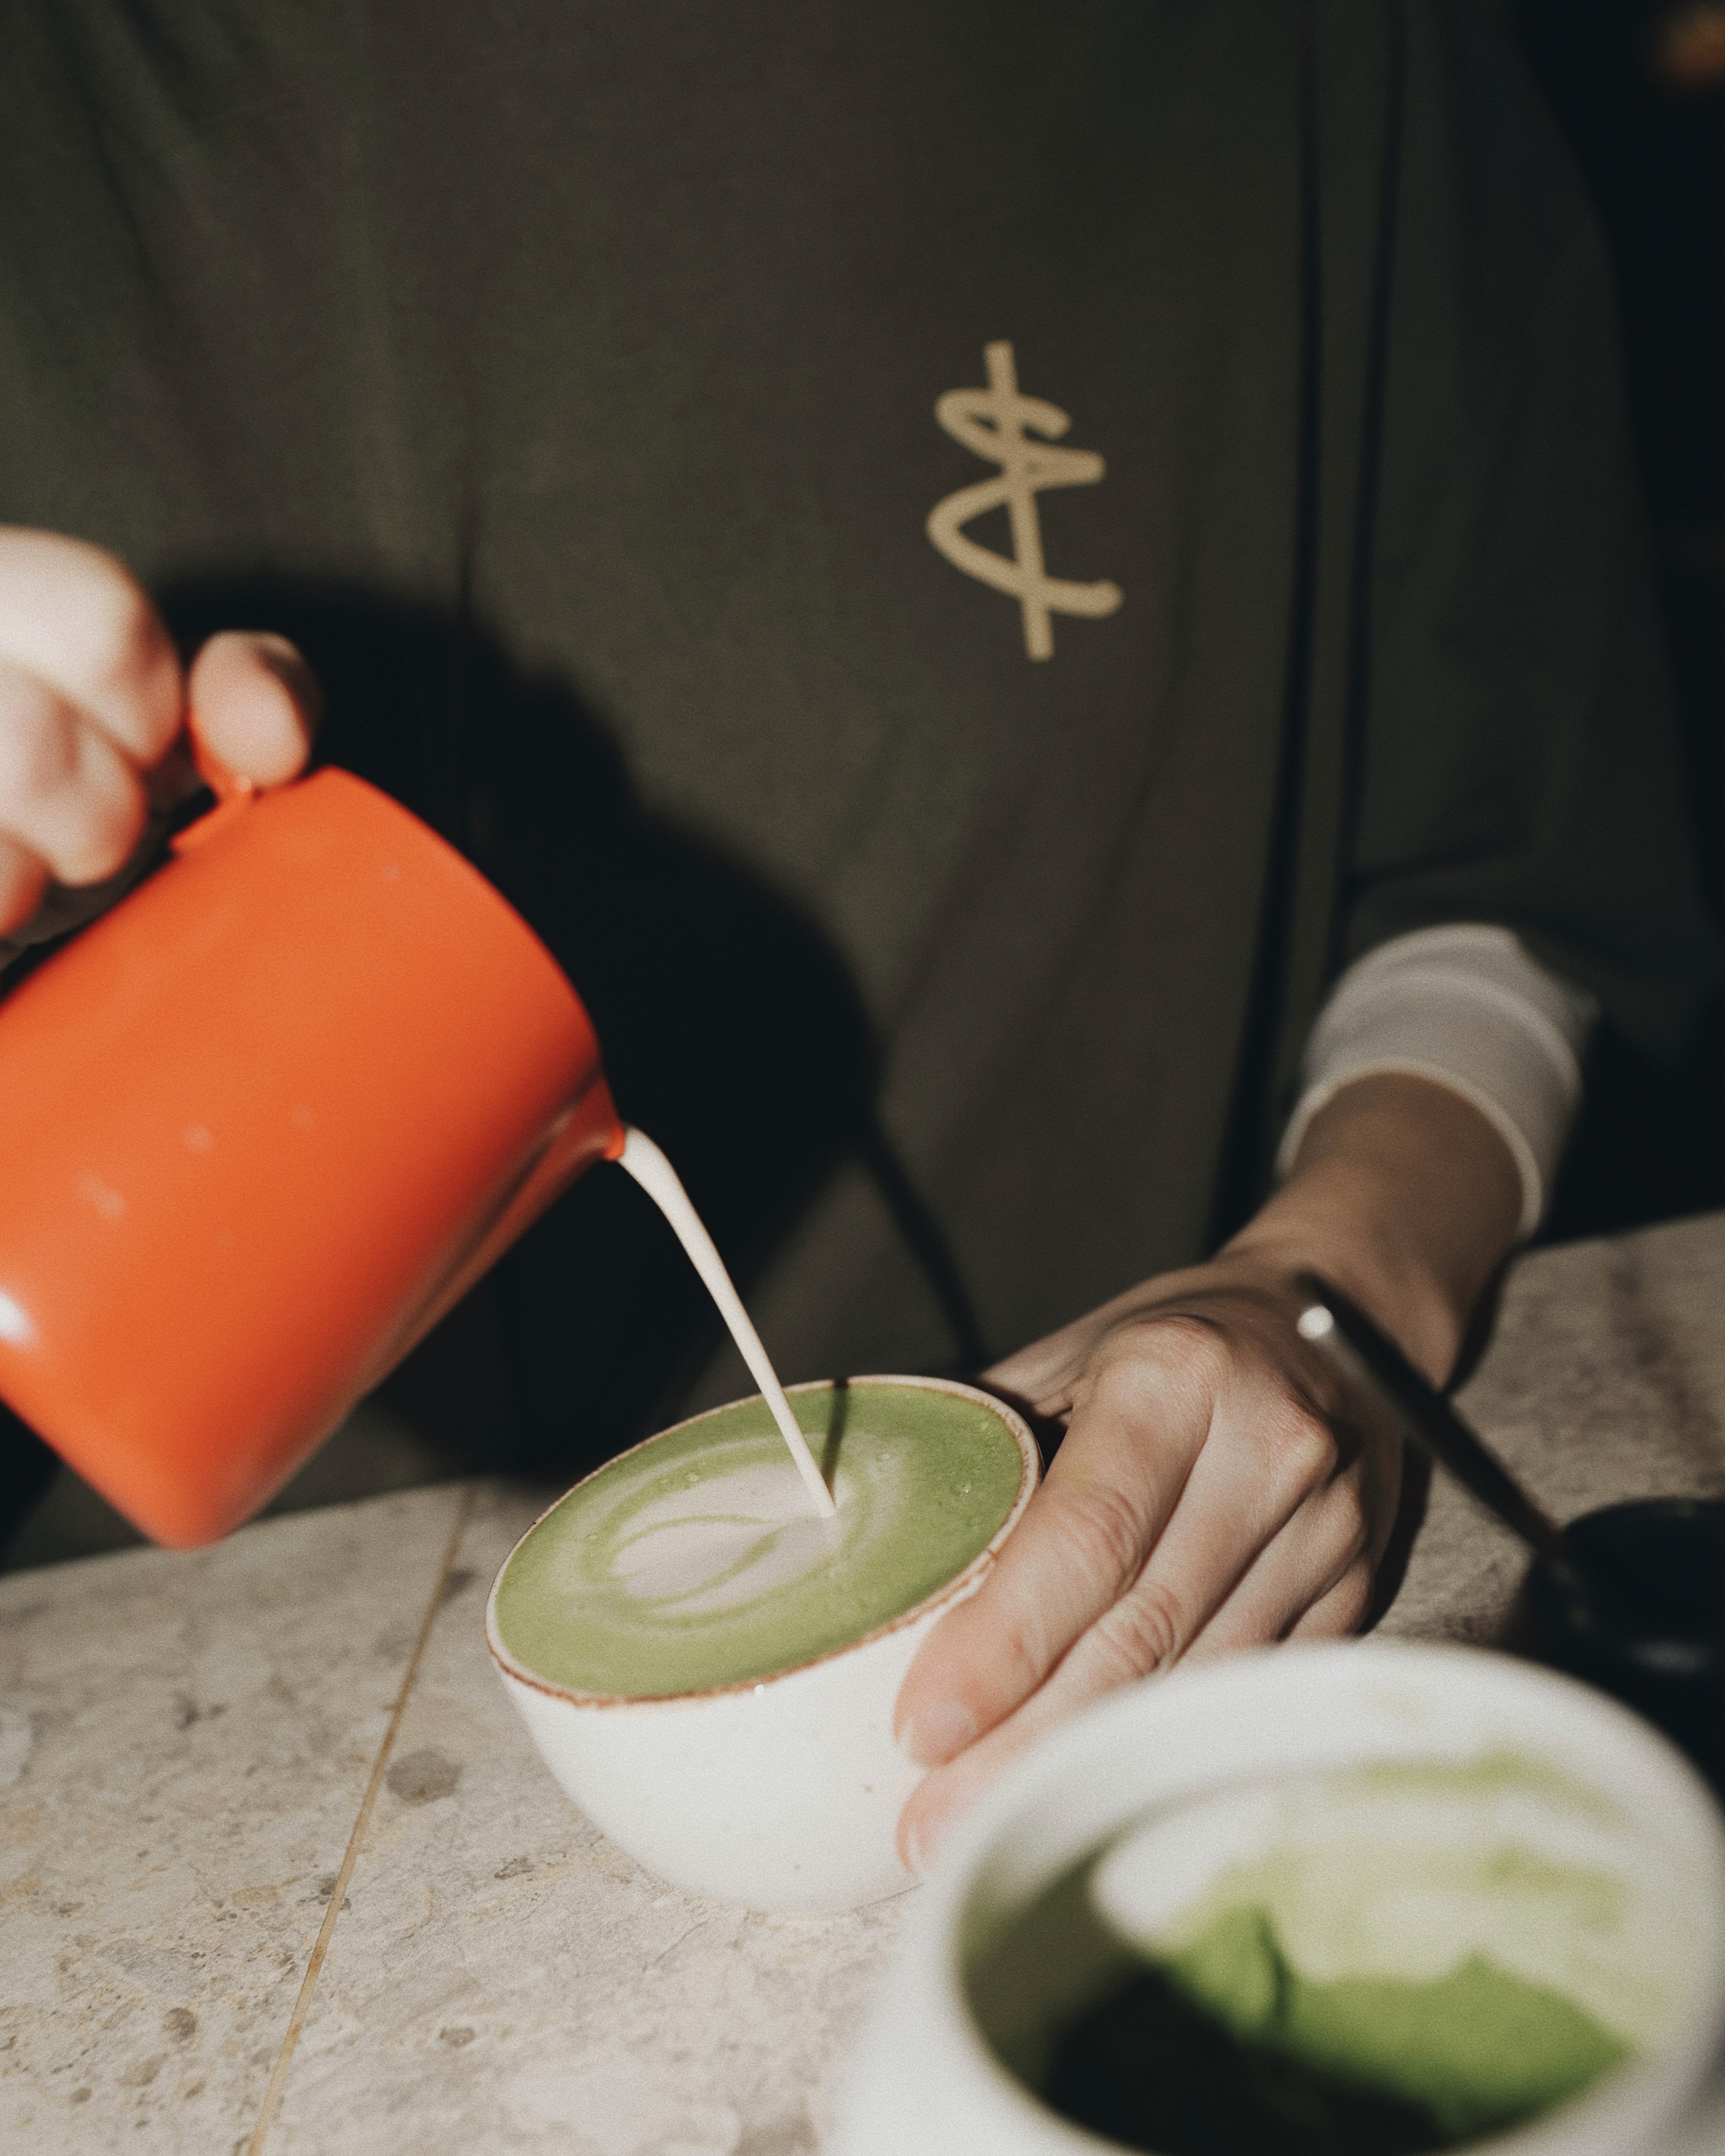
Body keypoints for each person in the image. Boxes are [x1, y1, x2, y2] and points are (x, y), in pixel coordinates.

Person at [0, 0, 1714, 1871]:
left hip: (1090, 1647)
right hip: (146, 1783)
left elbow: (1505, 856)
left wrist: (1335, 1275)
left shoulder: (1304, 66)